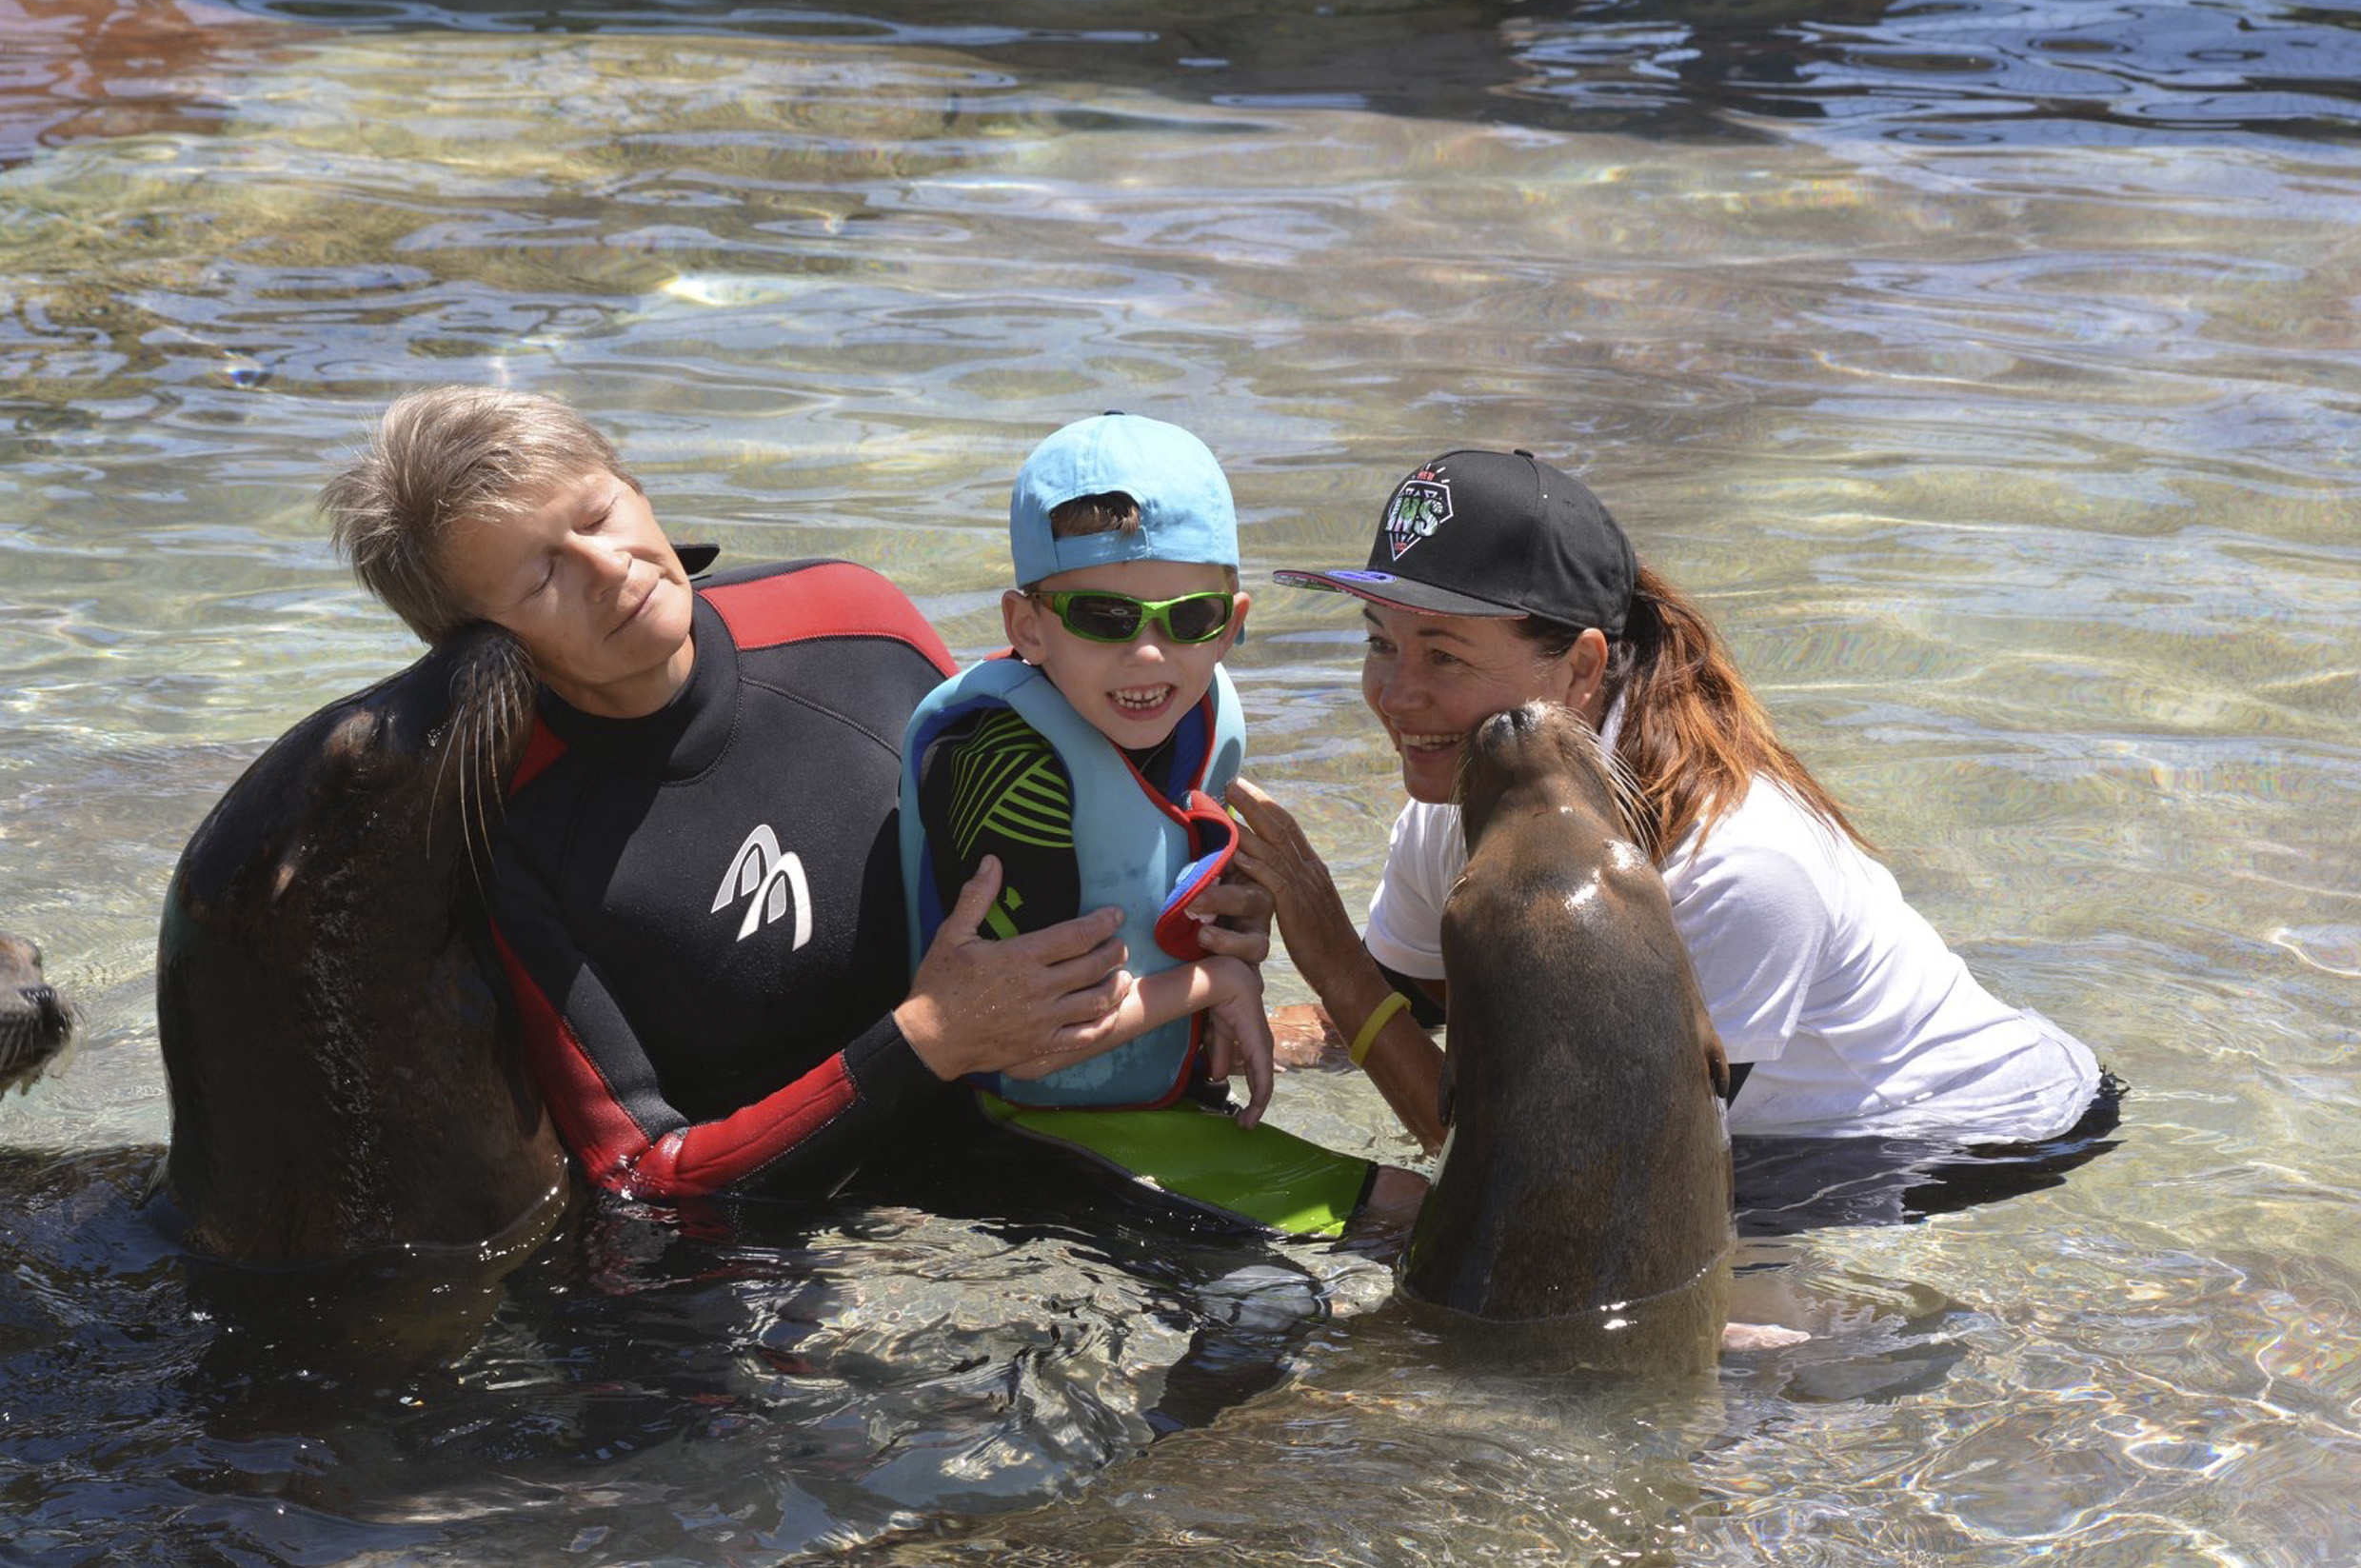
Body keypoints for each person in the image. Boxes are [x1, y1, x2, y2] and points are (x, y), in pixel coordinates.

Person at [321, 386, 1269, 1203]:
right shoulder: (509, 833)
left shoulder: (850, 621)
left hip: (1018, 1125)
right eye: (543, 575)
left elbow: (1063, 799)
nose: (611, 569)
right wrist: (921, 1042)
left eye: (599, 515)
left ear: (640, 492)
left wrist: (1204, 908)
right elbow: (639, 1181)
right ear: (475, 650)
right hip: (775, 1239)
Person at [1231, 447, 2109, 1159]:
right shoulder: (1455, 793)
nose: (1394, 695)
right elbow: (1410, 1004)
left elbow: (1549, 1176)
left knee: (1744, 1355)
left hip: (1960, 1142)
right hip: (1745, 1138)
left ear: (1579, 667)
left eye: (1444, 657)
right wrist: (1210, 1032)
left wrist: (1326, 945)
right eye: (1379, 644)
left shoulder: (1735, 863)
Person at [900, 411, 1422, 1236]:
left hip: (1149, 1099)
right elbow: (1026, 1044)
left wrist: (1232, 939)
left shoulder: (1201, 714)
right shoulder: (1010, 768)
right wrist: (1223, 983)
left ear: (1235, 619)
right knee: (1430, 1216)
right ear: (1026, 627)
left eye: (1190, 619)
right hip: (1031, 1130)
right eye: (1104, 618)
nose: (1150, 655)